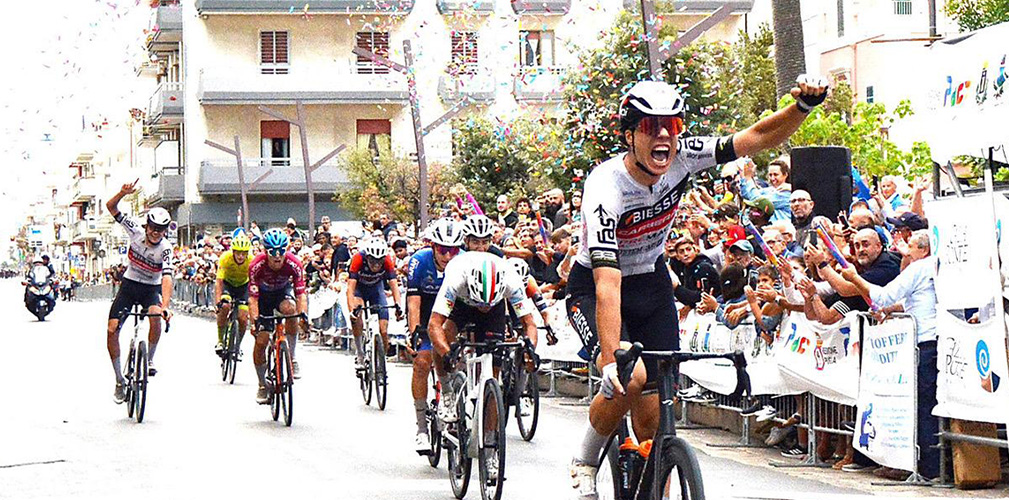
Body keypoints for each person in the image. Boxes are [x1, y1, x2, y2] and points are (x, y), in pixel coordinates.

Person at [566, 75, 828, 499]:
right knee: (627, 379)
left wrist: (802, 108)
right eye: (651, 127)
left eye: (672, 125)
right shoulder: (605, 186)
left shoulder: (685, 156)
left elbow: (757, 136)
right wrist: (610, 360)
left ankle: (656, 483)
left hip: (651, 281)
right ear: (629, 135)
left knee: (652, 414)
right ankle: (584, 459)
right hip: (596, 285)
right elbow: (606, 283)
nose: (664, 136)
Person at [841, 230, 937, 480]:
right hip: (933, 340)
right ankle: (925, 465)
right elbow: (911, 302)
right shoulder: (935, 269)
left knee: (923, 405)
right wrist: (890, 310)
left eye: (911, 246)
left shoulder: (920, 268)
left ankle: (929, 468)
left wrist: (854, 278)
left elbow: (883, 295)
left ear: (924, 250)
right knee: (926, 404)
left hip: (924, 343)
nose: (905, 250)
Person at [428, 252, 538, 423]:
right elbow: (434, 325)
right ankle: (447, 392)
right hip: (462, 303)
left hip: (496, 309)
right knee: (445, 335)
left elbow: (529, 324)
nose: (483, 307)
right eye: (482, 304)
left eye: (487, 304)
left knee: (493, 375)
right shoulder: (456, 278)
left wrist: (530, 350)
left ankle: (488, 438)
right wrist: (447, 353)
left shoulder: (511, 280)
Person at [104, 180, 174, 404]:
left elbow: (167, 277)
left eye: (160, 230)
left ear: (165, 231)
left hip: (150, 289)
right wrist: (122, 193)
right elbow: (111, 207)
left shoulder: (166, 249)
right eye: (152, 227)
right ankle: (118, 380)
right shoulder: (134, 229)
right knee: (112, 328)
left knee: (155, 318)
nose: (155, 233)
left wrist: (165, 306)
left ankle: (150, 360)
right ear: (146, 225)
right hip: (130, 285)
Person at [405, 218, 464, 453]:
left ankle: (458, 395)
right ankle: (421, 429)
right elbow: (413, 304)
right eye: (442, 250)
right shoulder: (419, 261)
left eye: (453, 250)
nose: (448, 256)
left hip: (454, 312)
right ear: (433, 247)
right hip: (427, 311)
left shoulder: (463, 262)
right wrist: (414, 333)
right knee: (421, 363)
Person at [249, 228, 308, 403]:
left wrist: (303, 316)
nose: (277, 256)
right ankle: (262, 384)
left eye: (281, 251)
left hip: (282, 293)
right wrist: (255, 322)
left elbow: (301, 295)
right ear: (265, 251)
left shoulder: (294, 263)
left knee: (291, 311)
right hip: (263, 298)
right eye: (272, 252)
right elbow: (252, 299)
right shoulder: (256, 265)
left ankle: (291, 356)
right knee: (261, 340)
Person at [346, 238, 404, 369]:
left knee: (383, 330)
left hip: (376, 290)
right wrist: (351, 310)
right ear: (367, 257)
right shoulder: (357, 259)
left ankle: (381, 362)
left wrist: (398, 306)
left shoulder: (388, 261)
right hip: (359, 289)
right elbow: (350, 289)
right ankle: (360, 353)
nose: (376, 265)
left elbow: (394, 285)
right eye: (373, 261)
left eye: (379, 261)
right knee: (357, 314)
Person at [214, 233, 253, 356]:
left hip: (243, 287)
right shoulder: (225, 258)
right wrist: (217, 302)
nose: (241, 256)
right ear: (233, 252)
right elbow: (219, 281)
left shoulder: (251, 260)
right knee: (224, 307)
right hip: (228, 285)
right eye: (238, 253)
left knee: (243, 316)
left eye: (244, 253)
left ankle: (237, 345)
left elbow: (254, 282)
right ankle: (220, 340)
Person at [739, 156, 792, 222]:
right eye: (770, 175)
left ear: (785, 175)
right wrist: (743, 175)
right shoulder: (768, 190)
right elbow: (746, 195)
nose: (772, 178)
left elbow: (760, 202)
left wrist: (749, 179)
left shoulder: (787, 192)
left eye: (775, 175)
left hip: (782, 229)